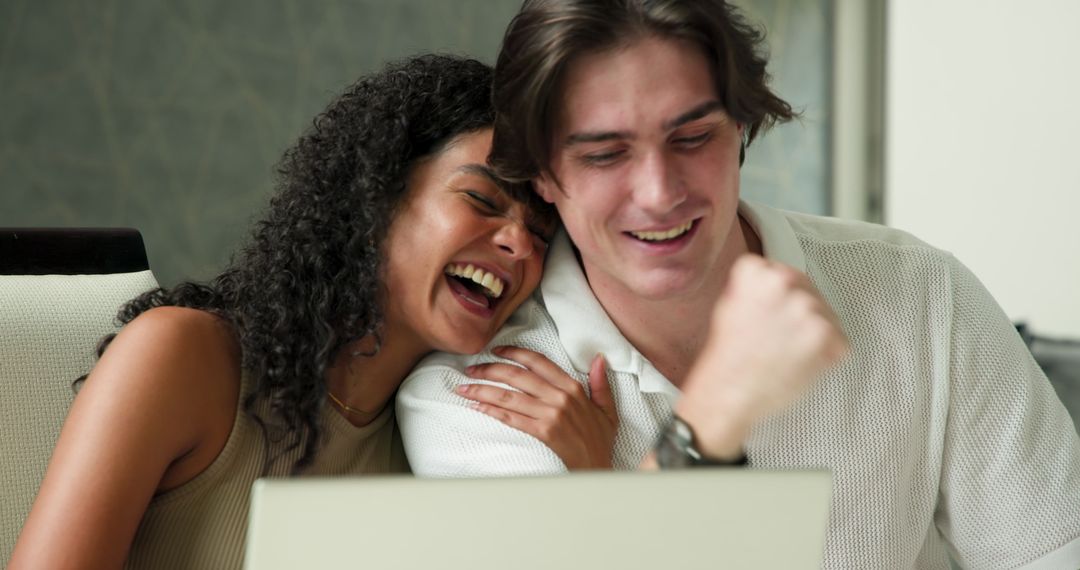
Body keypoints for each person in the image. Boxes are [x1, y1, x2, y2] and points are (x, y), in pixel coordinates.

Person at [395, 1, 1080, 568]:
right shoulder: (474, 399)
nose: (659, 193)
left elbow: (1049, 551)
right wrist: (713, 417)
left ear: (743, 127)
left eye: (692, 138)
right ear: (542, 175)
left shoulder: (923, 292)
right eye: (605, 154)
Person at [9, 54, 587, 570]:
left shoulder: (453, 438)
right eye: (482, 200)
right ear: (375, 195)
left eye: (542, 233)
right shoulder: (180, 357)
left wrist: (592, 477)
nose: (520, 244)